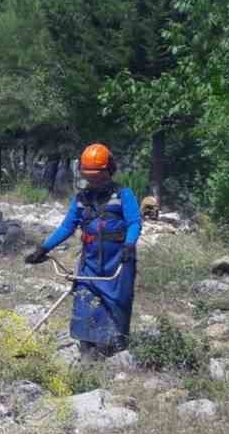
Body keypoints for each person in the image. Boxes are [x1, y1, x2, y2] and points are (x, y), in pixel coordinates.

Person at [24, 143, 142, 356]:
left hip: (119, 261)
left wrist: (129, 245)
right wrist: (43, 248)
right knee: (85, 300)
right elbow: (67, 226)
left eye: (98, 176)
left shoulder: (124, 195)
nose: (94, 181)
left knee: (117, 303)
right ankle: (88, 350)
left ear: (109, 171)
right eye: (89, 176)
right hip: (90, 263)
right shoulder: (81, 199)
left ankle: (115, 349)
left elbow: (134, 222)